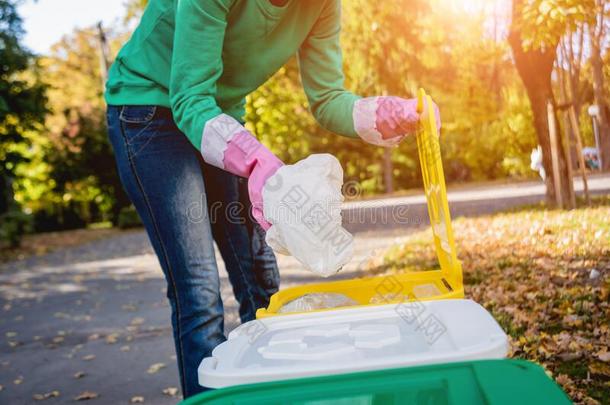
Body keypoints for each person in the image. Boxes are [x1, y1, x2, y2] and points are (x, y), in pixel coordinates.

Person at [105, 0, 440, 398]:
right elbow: (189, 97)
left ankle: (264, 393)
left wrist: (385, 112)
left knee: (260, 276)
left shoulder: (322, 6)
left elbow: (328, 96)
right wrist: (255, 159)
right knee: (198, 289)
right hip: (149, 113)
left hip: (218, 113)